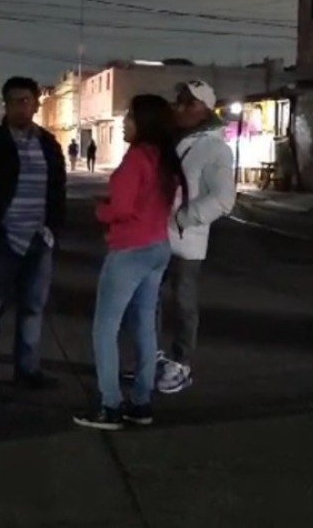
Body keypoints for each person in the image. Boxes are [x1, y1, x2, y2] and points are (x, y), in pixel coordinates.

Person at [74, 95, 186, 430]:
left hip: (130, 250)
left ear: (144, 123)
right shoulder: (165, 158)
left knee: (105, 329)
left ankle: (109, 405)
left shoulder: (137, 158)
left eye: (130, 117)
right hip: (157, 247)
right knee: (144, 326)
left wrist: (101, 210)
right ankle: (141, 402)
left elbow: (122, 209)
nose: (125, 123)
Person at [0, 76, 67, 394]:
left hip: (38, 239)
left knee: (33, 309)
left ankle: (27, 369)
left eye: (26, 101)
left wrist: (51, 229)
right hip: (2, 239)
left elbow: (57, 190)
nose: (20, 107)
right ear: (5, 105)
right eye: (13, 101)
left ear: (36, 104)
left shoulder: (48, 144)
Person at [156, 80, 236, 394]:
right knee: (149, 299)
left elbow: (224, 199)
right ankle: (152, 356)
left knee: (183, 303)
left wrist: (183, 219)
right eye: (179, 100)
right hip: (156, 235)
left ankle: (181, 362)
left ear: (205, 109)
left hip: (185, 241)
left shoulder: (215, 148)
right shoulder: (174, 140)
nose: (180, 107)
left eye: (189, 103)